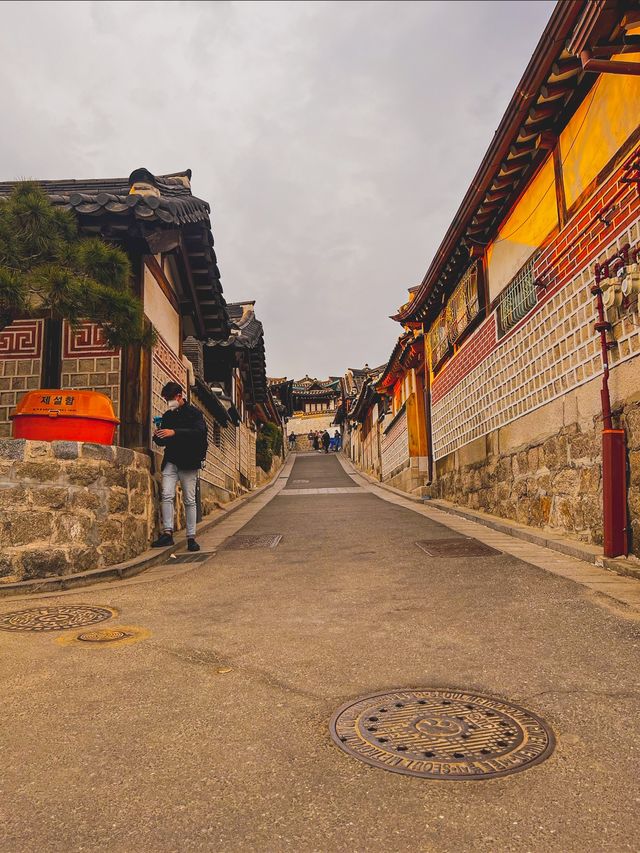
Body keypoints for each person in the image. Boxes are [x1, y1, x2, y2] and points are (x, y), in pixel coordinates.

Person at [151, 381, 207, 552]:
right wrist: (158, 435)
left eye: (169, 398)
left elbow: (200, 433)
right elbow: (163, 440)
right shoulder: (168, 416)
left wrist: (174, 432)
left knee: (189, 500)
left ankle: (191, 537)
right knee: (166, 494)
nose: (168, 402)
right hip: (171, 460)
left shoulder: (194, 414)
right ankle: (168, 533)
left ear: (179, 396)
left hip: (189, 462)